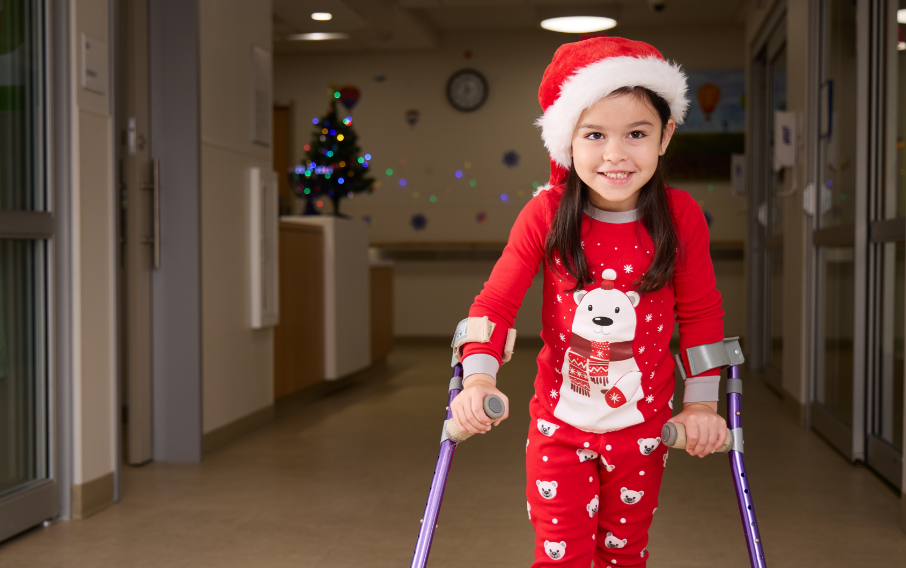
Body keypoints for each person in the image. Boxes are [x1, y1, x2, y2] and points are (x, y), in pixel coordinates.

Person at [449, 37, 727, 567]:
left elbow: (700, 315)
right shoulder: (546, 214)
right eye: (595, 134)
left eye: (637, 134)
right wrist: (479, 377)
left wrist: (702, 405)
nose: (616, 154)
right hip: (559, 427)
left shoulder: (680, 214)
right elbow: (495, 304)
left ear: (666, 135)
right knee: (562, 558)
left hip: (643, 430)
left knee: (624, 557)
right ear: (566, 142)